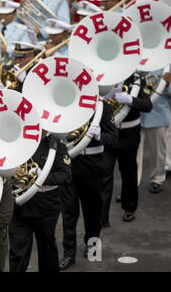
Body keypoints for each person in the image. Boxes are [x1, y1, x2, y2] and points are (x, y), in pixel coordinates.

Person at [59, 96, 118, 271]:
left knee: (93, 213)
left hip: (93, 166)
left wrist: (100, 134)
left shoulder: (103, 108)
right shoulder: (67, 104)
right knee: (68, 214)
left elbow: (113, 137)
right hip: (70, 165)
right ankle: (68, 254)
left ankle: (92, 246)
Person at [9, 132, 72, 272]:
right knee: (18, 252)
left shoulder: (55, 145)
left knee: (47, 249)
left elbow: (66, 175)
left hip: (46, 207)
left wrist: (42, 176)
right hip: (20, 207)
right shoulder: (16, 143)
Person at [101, 72, 153, 223]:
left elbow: (147, 105)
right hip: (109, 134)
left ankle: (129, 207)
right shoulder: (105, 78)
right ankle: (102, 214)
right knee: (104, 174)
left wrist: (131, 99)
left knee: (129, 172)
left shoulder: (137, 80)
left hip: (129, 134)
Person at [137, 72, 171, 194]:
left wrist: (167, 84)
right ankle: (131, 184)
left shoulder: (166, 65)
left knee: (158, 152)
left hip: (158, 114)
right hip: (135, 115)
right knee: (132, 154)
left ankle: (157, 179)